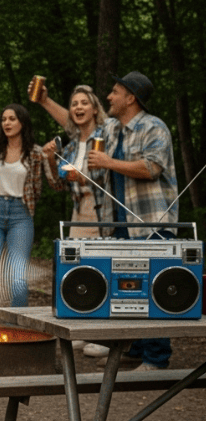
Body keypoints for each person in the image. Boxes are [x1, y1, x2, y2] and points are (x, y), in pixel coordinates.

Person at [41, 72, 178, 370]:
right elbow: (77, 126)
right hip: (120, 224)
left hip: (151, 221)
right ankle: (135, 349)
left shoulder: (154, 127)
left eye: (115, 92)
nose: (109, 97)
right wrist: (45, 103)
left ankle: (156, 358)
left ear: (131, 98)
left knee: (154, 289)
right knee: (130, 289)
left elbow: (152, 168)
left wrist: (108, 162)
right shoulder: (112, 129)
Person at [36, 83, 110, 352]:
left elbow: (106, 174)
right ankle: (87, 330)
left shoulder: (105, 135)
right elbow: (58, 185)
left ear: (95, 108)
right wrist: (50, 159)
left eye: (84, 103)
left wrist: (84, 177)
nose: (79, 107)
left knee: (103, 269)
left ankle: (105, 337)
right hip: (78, 210)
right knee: (79, 269)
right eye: (74, 104)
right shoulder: (69, 145)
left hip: (101, 209)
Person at [0, 103, 64, 312]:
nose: (7, 123)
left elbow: (57, 184)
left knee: (18, 282)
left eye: (12, 119)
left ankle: (18, 327)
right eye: (4, 119)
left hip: (20, 215)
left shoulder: (36, 152)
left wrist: (51, 158)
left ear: (22, 122)